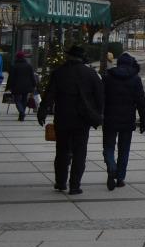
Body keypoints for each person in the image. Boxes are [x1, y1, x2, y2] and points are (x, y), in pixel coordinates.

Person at [37, 45, 104, 195]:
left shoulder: (59, 72)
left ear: (69, 57)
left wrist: (42, 111)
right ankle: (75, 185)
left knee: (62, 151)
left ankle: (61, 182)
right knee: (80, 152)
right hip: (82, 119)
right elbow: (100, 96)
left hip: (63, 118)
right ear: (82, 58)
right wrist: (98, 114)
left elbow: (49, 95)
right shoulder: (90, 73)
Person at [101, 51, 145, 190]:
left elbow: (100, 98)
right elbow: (141, 101)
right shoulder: (135, 79)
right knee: (124, 149)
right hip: (128, 120)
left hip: (110, 118)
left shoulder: (108, 77)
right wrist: (144, 120)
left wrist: (98, 115)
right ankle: (120, 178)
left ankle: (111, 166)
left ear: (118, 63)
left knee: (108, 147)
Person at [6, 51, 36, 120]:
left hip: (16, 86)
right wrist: (34, 85)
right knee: (24, 100)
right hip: (27, 86)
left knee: (17, 100)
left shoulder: (14, 66)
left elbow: (11, 78)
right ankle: (21, 114)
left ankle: (21, 112)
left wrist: (8, 87)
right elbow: (32, 76)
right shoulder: (29, 66)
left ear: (17, 57)